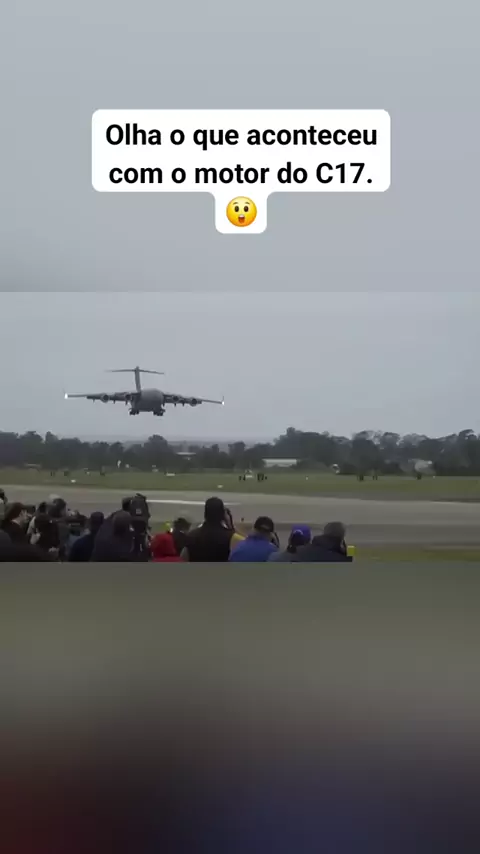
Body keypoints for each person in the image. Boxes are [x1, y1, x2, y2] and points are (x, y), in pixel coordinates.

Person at [180, 497, 238, 562]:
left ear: (205, 513)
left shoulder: (192, 535)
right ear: (222, 515)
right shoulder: (230, 537)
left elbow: (183, 558)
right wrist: (230, 526)